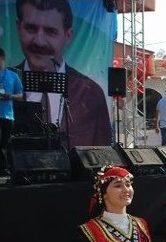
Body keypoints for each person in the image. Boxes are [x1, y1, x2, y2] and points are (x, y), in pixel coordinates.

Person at [15, 0, 111, 147]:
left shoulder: (91, 93)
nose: (39, 41)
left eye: (50, 32)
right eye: (31, 29)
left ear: (68, 35)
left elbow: (104, 155)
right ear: (18, 27)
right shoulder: (6, 82)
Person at [0, 48, 23, 175]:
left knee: (4, 143)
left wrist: (10, 96)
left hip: (8, 115)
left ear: (2, 59)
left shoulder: (13, 75)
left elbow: (21, 95)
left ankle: (4, 169)